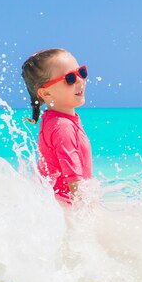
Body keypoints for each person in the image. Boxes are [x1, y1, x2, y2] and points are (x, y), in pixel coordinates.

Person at [21, 48, 93, 209]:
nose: (80, 81)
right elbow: (74, 183)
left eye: (81, 72)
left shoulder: (53, 119)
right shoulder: (63, 127)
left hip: (59, 211)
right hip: (70, 212)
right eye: (70, 78)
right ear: (46, 93)